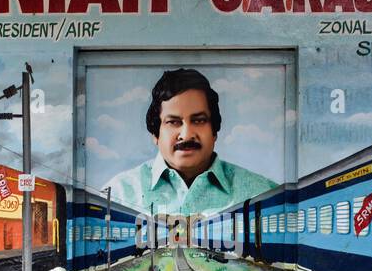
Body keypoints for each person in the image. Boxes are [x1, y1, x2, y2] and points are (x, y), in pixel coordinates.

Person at [101, 68, 276, 217]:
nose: (186, 135)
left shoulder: (264, 194)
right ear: (155, 133)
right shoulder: (117, 194)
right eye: (173, 122)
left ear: (214, 131)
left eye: (199, 120)